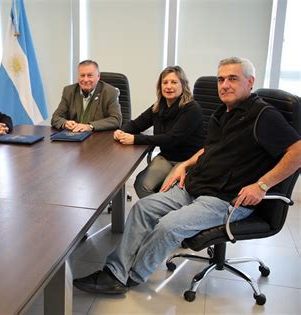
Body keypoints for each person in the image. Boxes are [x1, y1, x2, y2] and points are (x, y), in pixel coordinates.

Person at [73, 57, 301, 295]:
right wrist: (186, 164)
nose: (224, 85)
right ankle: (114, 271)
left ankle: (129, 277)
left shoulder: (264, 115)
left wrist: (262, 185)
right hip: (195, 186)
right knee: (142, 208)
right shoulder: (224, 112)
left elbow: (297, 151)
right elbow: (210, 148)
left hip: (225, 199)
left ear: (250, 82)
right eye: (221, 79)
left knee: (168, 226)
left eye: (233, 79)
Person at [114, 66, 204, 198]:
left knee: (164, 192)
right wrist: (121, 131)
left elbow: (171, 138)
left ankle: (165, 217)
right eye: (165, 82)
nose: (169, 86)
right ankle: (155, 217)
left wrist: (134, 139)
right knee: (141, 185)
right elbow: (137, 124)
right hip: (167, 157)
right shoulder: (159, 106)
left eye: (174, 82)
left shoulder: (191, 109)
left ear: (183, 85)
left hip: (187, 161)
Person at [51, 60, 122, 132]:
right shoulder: (69, 91)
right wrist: (65, 123)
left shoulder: (110, 92)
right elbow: (56, 117)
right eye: (82, 75)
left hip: (98, 138)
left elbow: (116, 119)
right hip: (74, 136)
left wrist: (90, 126)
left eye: (89, 75)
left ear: (98, 76)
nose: (85, 79)